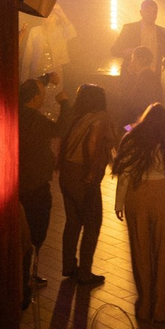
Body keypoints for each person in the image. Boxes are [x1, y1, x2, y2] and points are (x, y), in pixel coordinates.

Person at [113, 103, 165, 322]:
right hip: (161, 195)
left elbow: (124, 174)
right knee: (164, 251)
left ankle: (144, 305)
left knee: (140, 250)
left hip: (136, 195)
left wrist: (119, 203)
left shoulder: (131, 139)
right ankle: (162, 308)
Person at [18, 76, 69, 305]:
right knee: (33, 234)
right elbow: (60, 128)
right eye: (42, 93)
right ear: (35, 98)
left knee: (21, 233)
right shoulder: (34, 120)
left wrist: (46, 79)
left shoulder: (15, 114)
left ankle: (23, 277)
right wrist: (65, 103)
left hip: (18, 183)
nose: (44, 96)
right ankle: (25, 281)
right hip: (35, 186)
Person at [56, 83, 113, 286]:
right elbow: (92, 144)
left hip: (67, 172)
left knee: (73, 221)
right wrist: (91, 173)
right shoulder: (99, 117)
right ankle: (85, 272)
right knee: (92, 222)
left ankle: (69, 266)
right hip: (83, 174)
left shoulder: (75, 116)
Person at [110, 0, 165, 76]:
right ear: (141, 13)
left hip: (153, 77)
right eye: (148, 11)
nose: (152, 15)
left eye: (154, 12)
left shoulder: (162, 32)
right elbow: (114, 50)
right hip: (131, 77)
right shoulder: (129, 29)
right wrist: (126, 52)